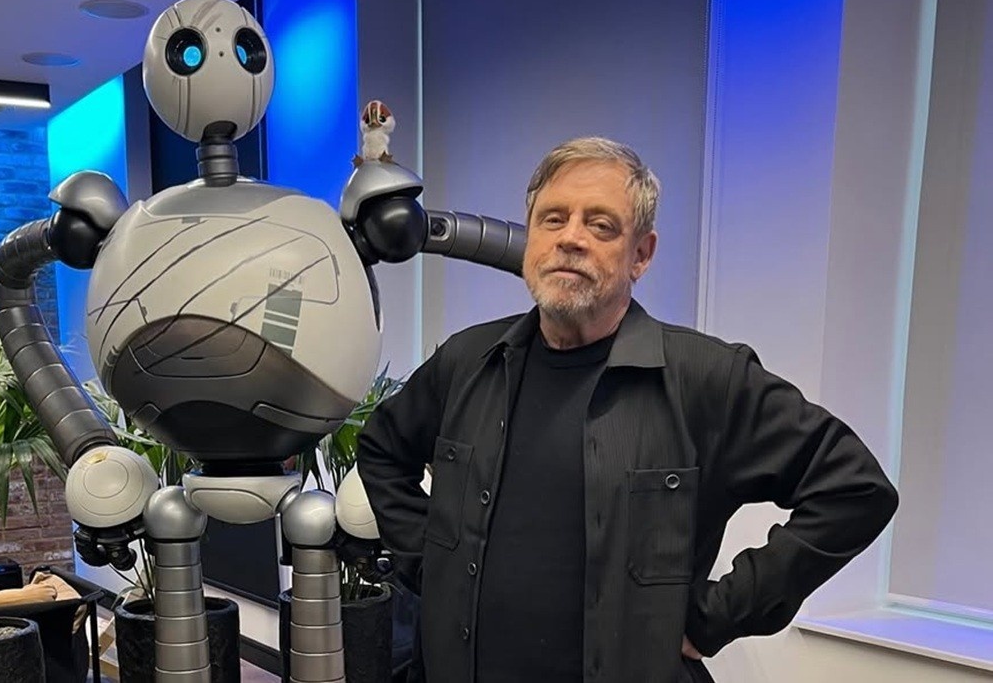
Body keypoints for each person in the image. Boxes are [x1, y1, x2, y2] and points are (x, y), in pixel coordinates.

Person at [355, 137, 899, 682]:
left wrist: (718, 616)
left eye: (601, 225)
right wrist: (432, 565)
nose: (570, 238)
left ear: (641, 254)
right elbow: (382, 449)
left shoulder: (705, 378)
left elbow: (853, 489)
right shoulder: (468, 361)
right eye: (552, 219)